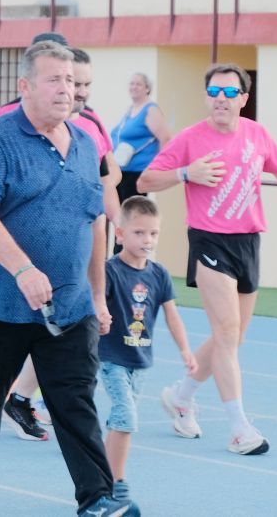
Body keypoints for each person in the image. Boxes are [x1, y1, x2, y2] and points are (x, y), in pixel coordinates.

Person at [0, 40, 134, 517]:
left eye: (71, 81)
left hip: (71, 305)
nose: (65, 89)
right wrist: (23, 269)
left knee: (75, 402)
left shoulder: (87, 144)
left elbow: (95, 222)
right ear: (26, 86)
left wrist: (98, 294)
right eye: (54, 79)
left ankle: (97, 499)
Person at [139, 63, 277, 457]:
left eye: (229, 93)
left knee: (233, 336)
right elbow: (145, 181)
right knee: (225, 332)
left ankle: (181, 396)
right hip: (209, 240)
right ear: (207, 97)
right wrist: (187, 173)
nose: (220, 99)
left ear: (243, 98)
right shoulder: (190, 138)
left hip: (249, 241)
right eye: (214, 92)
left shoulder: (258, 135)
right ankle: (239, 428)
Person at [2, 47, 121, 440]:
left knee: (69, 342)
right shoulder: (11, 122)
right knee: (34, 336)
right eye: (72, 81)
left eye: (83, 83)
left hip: (77, 257)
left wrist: (115, 217)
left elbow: (108, 176)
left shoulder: (90, 129)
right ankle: (8, 397)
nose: (79, 90)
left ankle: (26, 399)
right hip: (22, 266)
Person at [98, 195, 196, 501]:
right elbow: (95, 305)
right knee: (126, 416)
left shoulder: (159, 274)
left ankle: (97, 474)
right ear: (121, 234)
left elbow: (172, 313)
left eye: (153, 233)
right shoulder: (110, 270)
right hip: (111, 357)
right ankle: (118, 480)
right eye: (139, 232)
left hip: (140, 359)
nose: (147, 240)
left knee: (119, 421)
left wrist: (185, 350)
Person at [111, 72, 173, 204]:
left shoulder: (150, 110)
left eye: (138, 84)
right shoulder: (131, 109)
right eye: (132, 84)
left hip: (137, 173)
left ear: (147, 88)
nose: (134, 87)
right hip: (122, 170)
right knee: (120, 214)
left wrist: (158, 169)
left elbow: (165, 138)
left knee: (132, 213)